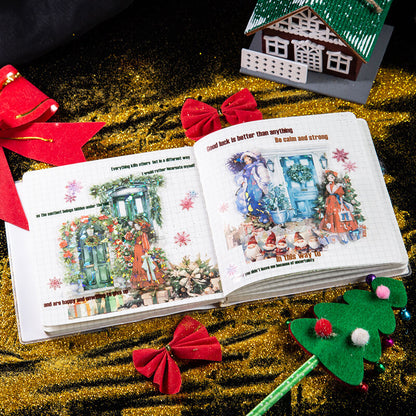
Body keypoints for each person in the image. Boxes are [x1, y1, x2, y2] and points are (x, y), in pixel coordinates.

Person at [234, 151, 271, 223]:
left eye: (249, 160)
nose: (248, 162)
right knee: (252, 203)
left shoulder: (257, 166)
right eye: (246, 161)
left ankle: (265, 217)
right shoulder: (245, 170)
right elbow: (239, 179)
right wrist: (242, 182)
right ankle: (257, 218)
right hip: (250, 189)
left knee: (260, 202)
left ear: (252, 159)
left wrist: (262, 185)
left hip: (258, 188)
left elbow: (264, 177)